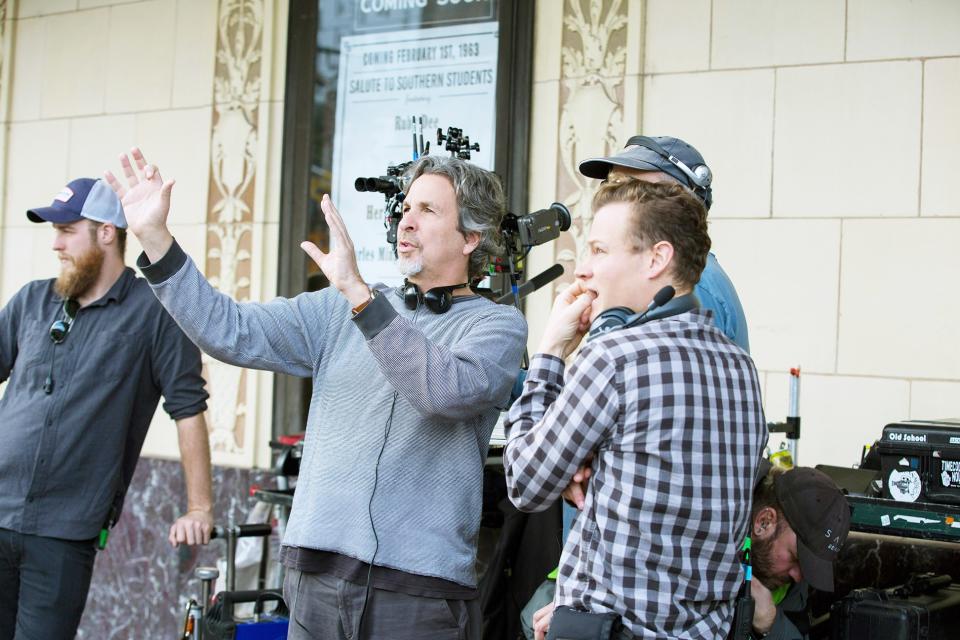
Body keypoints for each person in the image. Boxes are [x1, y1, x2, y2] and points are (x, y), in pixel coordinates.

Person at [106, 148, 527, 639]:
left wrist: (360, 297)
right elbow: (227, 330)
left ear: (471, 238)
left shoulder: (496, 324)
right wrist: (156, 239)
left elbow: (445, 392)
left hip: (418, 595)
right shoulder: (338, 309)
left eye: (428, 210)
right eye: (406, 208)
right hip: (314, 581)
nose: (405, 221)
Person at [503, 178, 767, 639]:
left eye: (600, 251)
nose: (582, 270)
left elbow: (525, 481)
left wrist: (549, 350)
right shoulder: (741, 367)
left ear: (656, 259)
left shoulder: (613, 358)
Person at [0, 177, 214, 639]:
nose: (56, 245)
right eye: (53, 232)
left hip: (64, 529)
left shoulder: (155, 312)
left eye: (66, 230)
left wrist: (199, 507)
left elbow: (188, 408)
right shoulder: (32, 301)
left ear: (105, 233)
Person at [579, 134, 749, 352]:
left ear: (677, 199)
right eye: (611, 184)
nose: (614, 196)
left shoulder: (692, 283)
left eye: (631, 187)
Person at [746, 463, 850, 640]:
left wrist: (771, 623)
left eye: (807, 566)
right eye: (795, 558)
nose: (798, 576)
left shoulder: (791, 580)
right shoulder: (713, 522)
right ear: (764, 522)